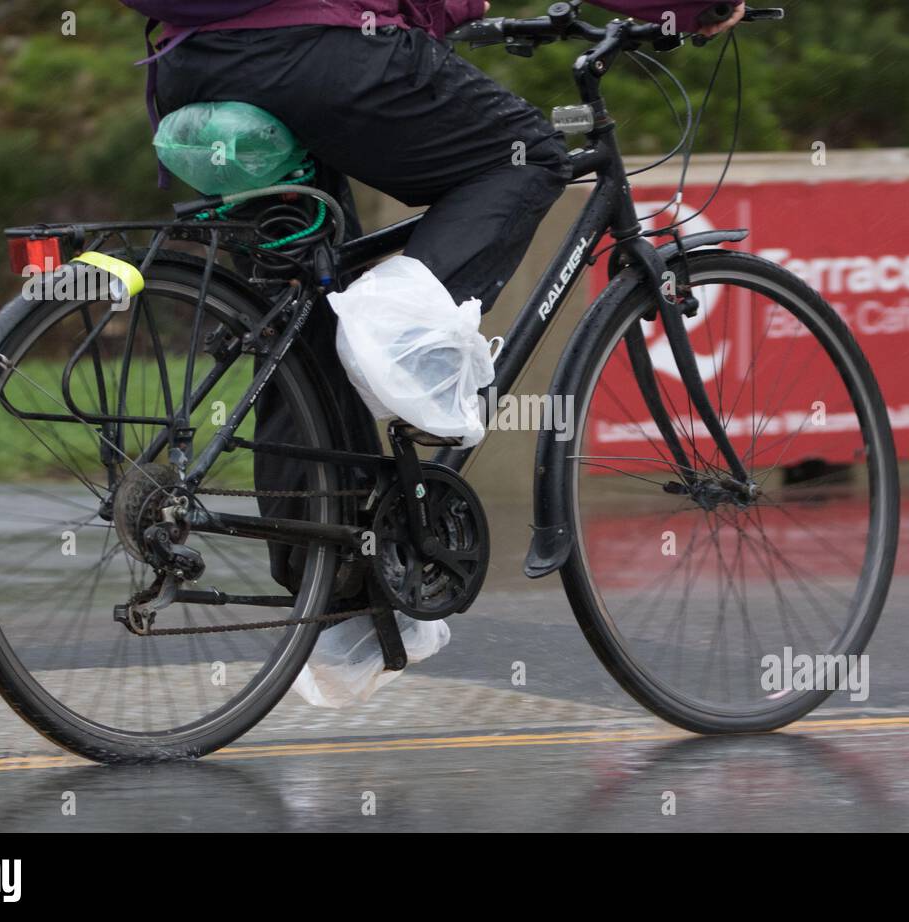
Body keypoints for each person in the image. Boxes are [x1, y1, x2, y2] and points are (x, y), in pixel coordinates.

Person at [148, 0, 746, 595]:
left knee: (302, 311)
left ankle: (335, 584)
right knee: (528, 157)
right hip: (321, 52)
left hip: (195, 67)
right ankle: (398, 346)